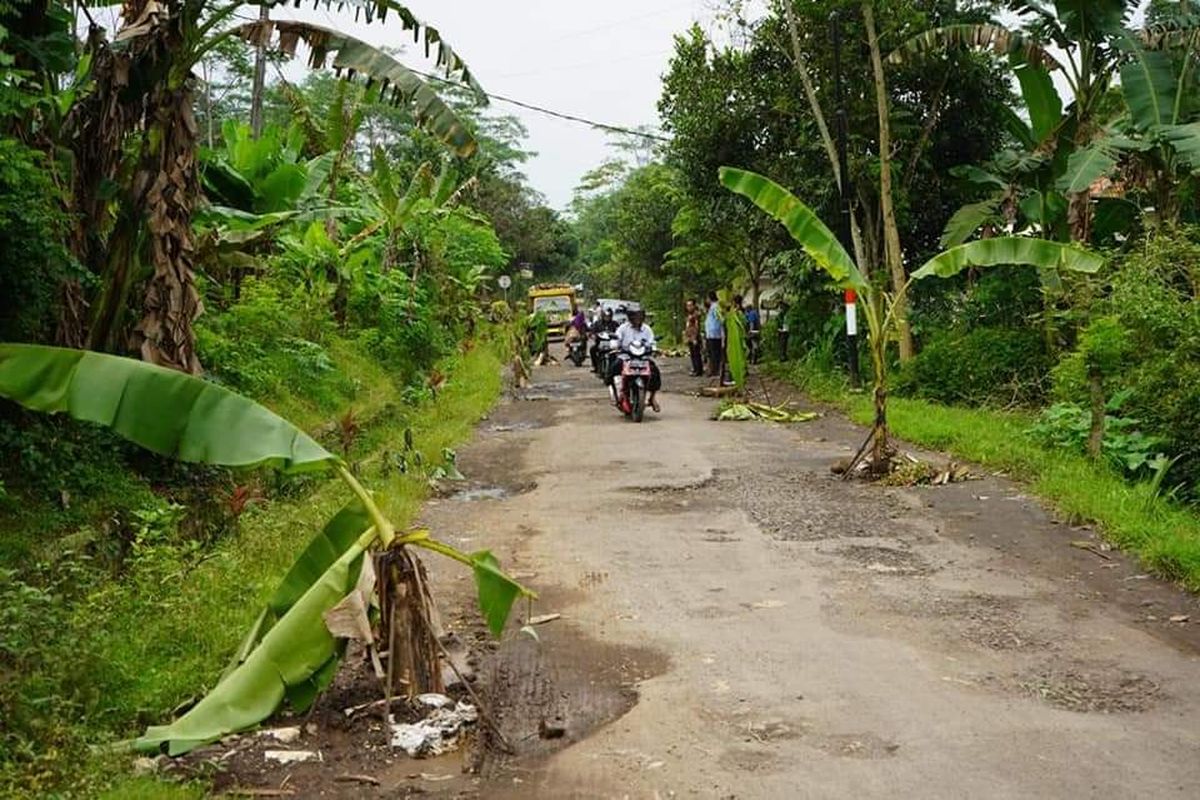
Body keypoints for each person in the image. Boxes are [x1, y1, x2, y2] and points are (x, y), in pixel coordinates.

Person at [611, 304, 662, 412]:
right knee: (615, 367)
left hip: (642, 356)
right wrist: (615, 345)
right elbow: (616, 339)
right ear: (630, 317)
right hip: (626, 355)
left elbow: (652, 341)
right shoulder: (623, 328)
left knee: (655, 371)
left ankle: (652, 398)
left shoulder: (647, 329)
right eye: (635, 316)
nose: (637, 318)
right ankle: (616, 391)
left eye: (639, 316)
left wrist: (654, 348)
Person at [589, 306, 619, 373]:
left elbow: (619, 332)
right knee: (592, 350)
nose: (607, 318)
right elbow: (592, 331)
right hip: (600, 343)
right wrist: (593, 335)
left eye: (608, 316)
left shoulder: (615, 323)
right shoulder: (597, 323)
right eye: (605, 316)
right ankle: (595, 366)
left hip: (612, 345)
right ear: (602, 316)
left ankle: (615, 369)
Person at [704, 291, 724, 379]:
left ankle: (715, 371)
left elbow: (720, 318)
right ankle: (713, 370)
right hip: (711, 333)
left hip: (714, 334)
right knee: (711, 353)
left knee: (715, 353)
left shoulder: (715, 307)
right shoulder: (712, 307)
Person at [684, 298, 703, 376]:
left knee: (696, 354)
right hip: (689, 337)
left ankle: (698, 370)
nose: (689, 307)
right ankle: (695, 368)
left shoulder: (696, 315)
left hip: (694, 337)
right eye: (687, 305)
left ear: (694, 306)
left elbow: (696, 326)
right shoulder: (689, 315)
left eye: (690, 305)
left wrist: (695, 337)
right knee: (692, 353)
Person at [744, 299, 761, 364]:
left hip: (753, 331)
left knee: (752, 346)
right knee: (755, 345)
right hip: (757, 331)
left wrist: (750, 331)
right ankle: (754, 359)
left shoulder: (751, 314)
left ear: (748, 309)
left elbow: (751, 323)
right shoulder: (755, 312)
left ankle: (753, 360)